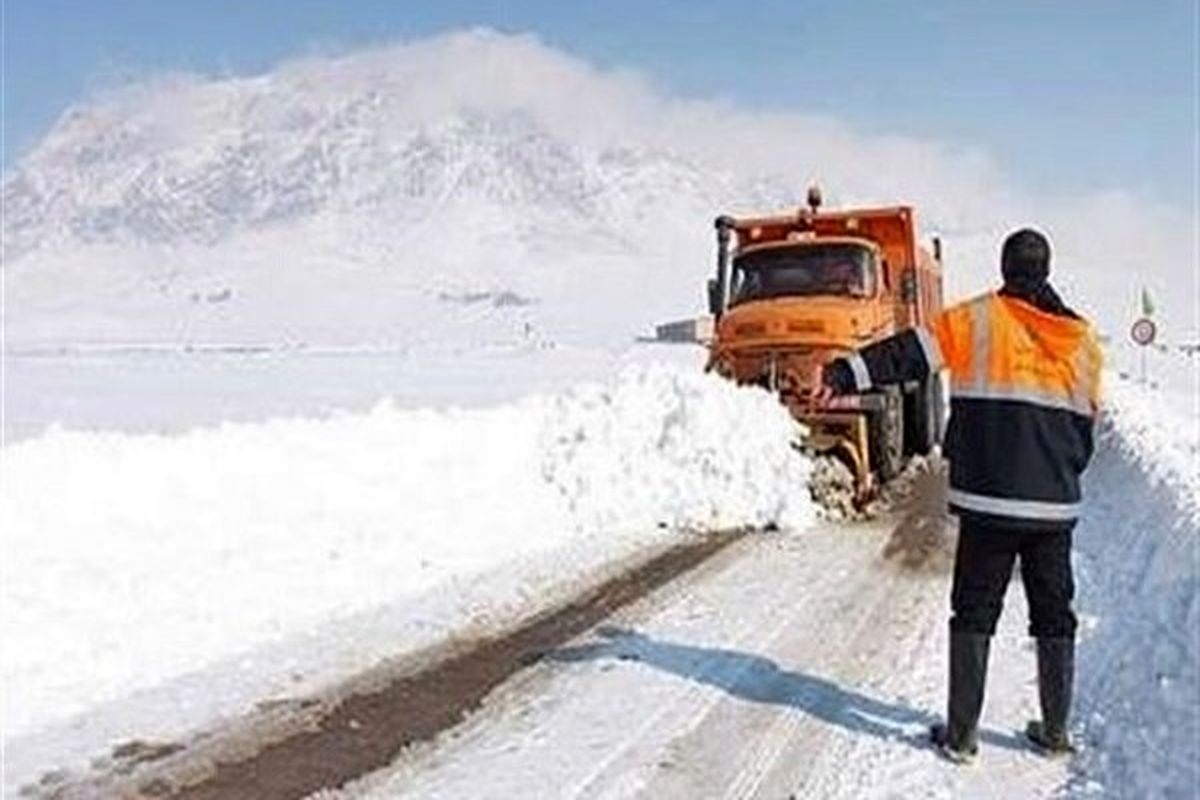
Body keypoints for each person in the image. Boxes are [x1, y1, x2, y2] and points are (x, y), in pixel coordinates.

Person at [817, 228, 1102, 763]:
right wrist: (1062, 474)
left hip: (990, 503)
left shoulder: (976, 321)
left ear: (1004, 268)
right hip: (1054, 508)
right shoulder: (1083, 341)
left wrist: (843, 371)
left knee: (974, 611)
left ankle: (962, 737)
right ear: (1046, 270)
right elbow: (1087, 427)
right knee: (1054, 613)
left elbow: (905, 356)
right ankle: (1056, 733)